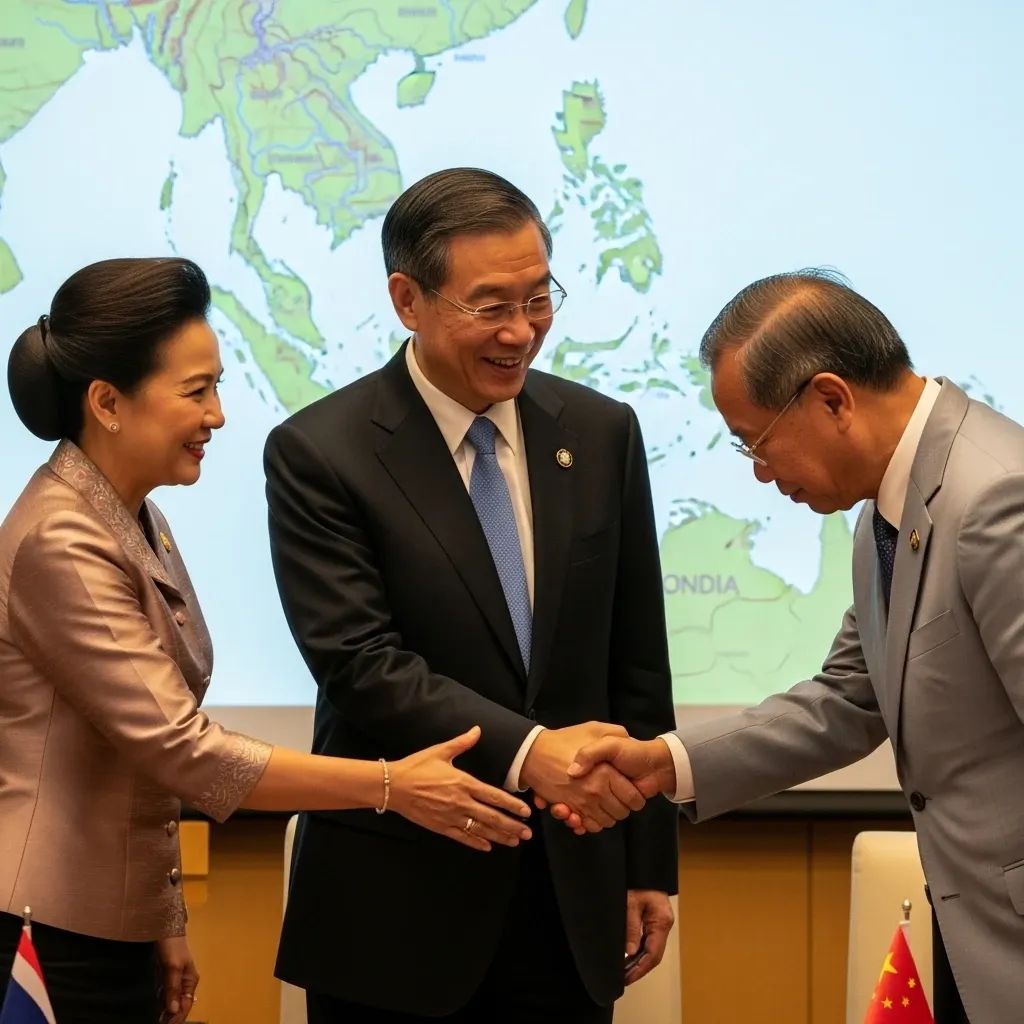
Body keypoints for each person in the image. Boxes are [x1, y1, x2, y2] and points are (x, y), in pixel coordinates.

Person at [0, 257, 535, 1024]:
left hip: (106, 920)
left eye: (216, 385)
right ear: (107, 403)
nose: (217, 414)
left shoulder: (132, 515)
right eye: (196, 391)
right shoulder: (62, 538)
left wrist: (162, 918)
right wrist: (391, 786)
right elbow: (181, 751)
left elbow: (134, 763)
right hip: (45, 930)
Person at [266, 167, 678, 1023]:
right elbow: (362, 664)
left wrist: (646, 862)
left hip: (571, 899)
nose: (521, 332)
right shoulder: (321, 452)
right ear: (407, 299)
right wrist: (533, 752)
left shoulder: (601, 432)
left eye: (538, 297)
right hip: (395, 912)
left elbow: (634, 662)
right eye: (490, 306)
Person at [566, 268, 1024, 1023]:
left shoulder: (994, 499)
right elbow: (850, 697)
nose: (759, 472)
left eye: (757, 440)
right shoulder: (887, 509)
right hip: (977, 932)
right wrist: (665, 764)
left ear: (831, 398)